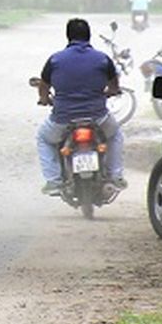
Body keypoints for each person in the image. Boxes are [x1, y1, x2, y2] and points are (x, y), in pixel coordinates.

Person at [35, 18, 126, 195]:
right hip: (98, 117)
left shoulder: (55, 60)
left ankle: (53, 181)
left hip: (63, 118)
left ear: (68, 36)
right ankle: (115, 175)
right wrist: (110, 92)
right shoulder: (102, 59)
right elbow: (114, 85)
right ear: (89, 36)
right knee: (115, 135)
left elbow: (44, 85)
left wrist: (44, 99)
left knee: (44, 138)